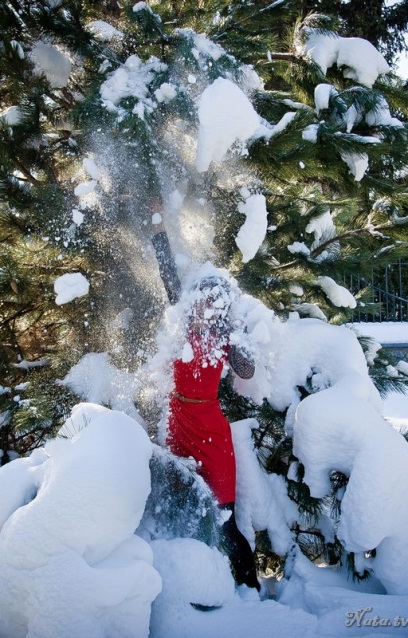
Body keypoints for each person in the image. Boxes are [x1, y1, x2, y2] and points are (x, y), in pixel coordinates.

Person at [151, 200, 261, 594]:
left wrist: (236, 332)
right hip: (180, 422)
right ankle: (196, 581)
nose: (202, 308)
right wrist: (159, 225)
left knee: (223, 515)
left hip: (213, 435)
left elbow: (247, 371)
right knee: (183, 503)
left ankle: (247, 586)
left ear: (220, 307)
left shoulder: (225, 338)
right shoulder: (182, 326)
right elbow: (167, 274)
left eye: (211, 304)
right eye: (199, 301)